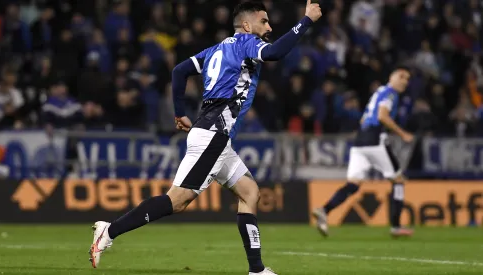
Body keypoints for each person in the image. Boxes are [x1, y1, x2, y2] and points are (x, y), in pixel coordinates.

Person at [88, 1, 323, 274]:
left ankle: (257, 270)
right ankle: (109, 231)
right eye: (264, 21)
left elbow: (179, 71)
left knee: (249, 192)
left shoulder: (217, 49)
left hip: (213, 133)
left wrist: (179, 113)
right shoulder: (246, 42)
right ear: (247, 26)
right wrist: (306, 20)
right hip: (213, 134)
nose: (269, 27)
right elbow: (275, 53)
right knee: (176, 201)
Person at [312, 67, 415, 238]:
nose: (405, 81)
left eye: (408, 78)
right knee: (398, 180)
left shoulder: (379, 92)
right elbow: (382, 116)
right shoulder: (390, 94)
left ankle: (324, 210)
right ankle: (396, 227)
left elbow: (364, 118)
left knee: (353, 183)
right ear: (392, 77)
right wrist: (403, 134)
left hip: (360, 141)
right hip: (374, 140)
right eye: (402, 76)